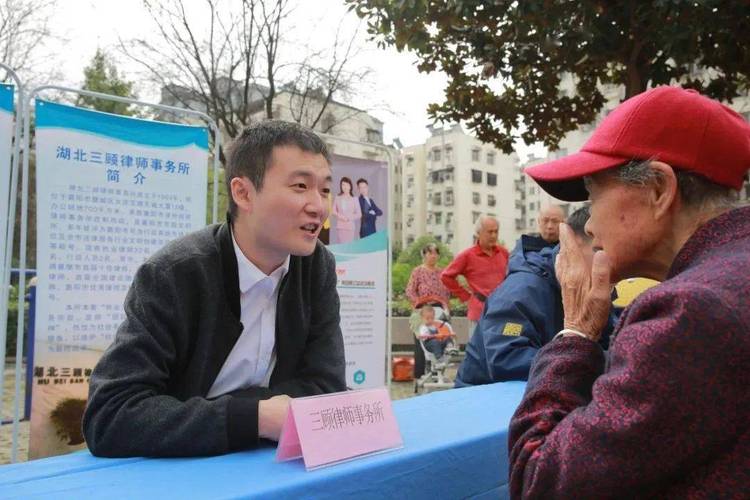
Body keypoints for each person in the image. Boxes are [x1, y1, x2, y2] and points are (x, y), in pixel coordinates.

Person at [509, 86, 750, 497]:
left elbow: (541, 479)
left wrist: (575, 333)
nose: (586, 224)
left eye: (593, 192)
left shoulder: (688, 312)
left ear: (658, 189)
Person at [83, 121, 347, 458]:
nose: (318, 206)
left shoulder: (315, 267)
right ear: (243, 193)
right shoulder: (175, 274)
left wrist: (237, 416)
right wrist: (257, 418)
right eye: (300, 186)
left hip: (269, 465)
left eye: (324, 190)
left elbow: (326, 387)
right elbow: (110, 414)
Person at [455, 206, 615, 386]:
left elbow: (610, 340)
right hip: (485, 399)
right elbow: (507, 359)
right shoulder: (520, 292)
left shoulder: (596, 285)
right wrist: (583, 361)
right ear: (571, 243)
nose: (610, 263)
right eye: (601, 250)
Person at [441, 215, 510, 332]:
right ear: (478, 233)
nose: (493, 235)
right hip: (479, 312)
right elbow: (446, 276)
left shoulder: (504, 253)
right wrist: (465, 295)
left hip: (503, 311)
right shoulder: (467, 255)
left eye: (496, 231)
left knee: (504, 348)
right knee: (477, 349)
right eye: (489, 232)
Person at [331, 176, 361, 243]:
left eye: (347, 185)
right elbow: (333, 211)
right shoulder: (337, 198)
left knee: (348, 246)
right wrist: (341, 217)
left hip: (350, 227)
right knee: (341, 246)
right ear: (341, 186)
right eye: (343, 185)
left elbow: (359, 214)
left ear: (350, 186)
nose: (345, 187)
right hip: (340, 226)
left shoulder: (354, 199)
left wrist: (349, 217)